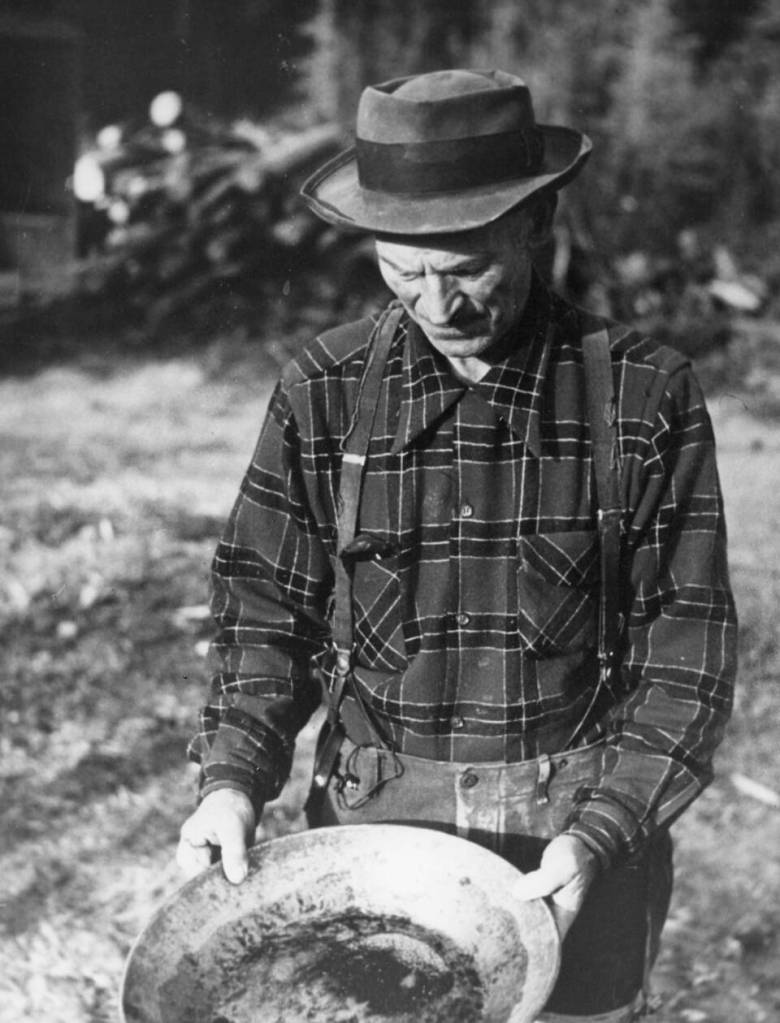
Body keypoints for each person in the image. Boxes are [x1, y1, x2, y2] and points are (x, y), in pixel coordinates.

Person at [176, 69, 737, 1021]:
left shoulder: (644, 397)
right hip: (375, 844)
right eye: (404, 271)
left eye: (467, 265)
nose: (440, 305)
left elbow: (686, 663)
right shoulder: (325, 389)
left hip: (572, 853)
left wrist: (602, 834)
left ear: (536, 221)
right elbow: (266, 616)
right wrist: (233, 780)